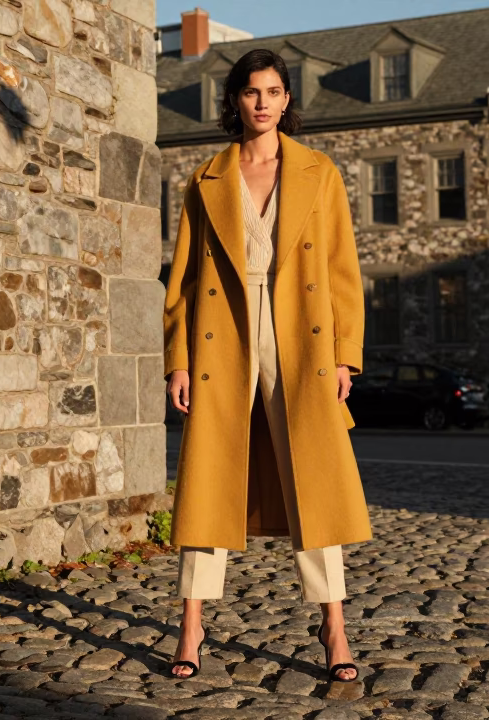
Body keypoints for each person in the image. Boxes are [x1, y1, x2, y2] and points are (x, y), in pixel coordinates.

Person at [160, 48, 372, 683]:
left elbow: (343, 273)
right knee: (207, 478)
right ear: (236, 101)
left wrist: (344, 357)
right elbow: (184, 279)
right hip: (220, 335)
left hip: (301, 338)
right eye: (251, 92)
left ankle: (334, 626)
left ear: (286, 101)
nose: (262, 102)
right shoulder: (206, 179)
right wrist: (177, 361)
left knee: (317, 478)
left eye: (274, 91)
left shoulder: (320, 172)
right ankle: (191, 626)